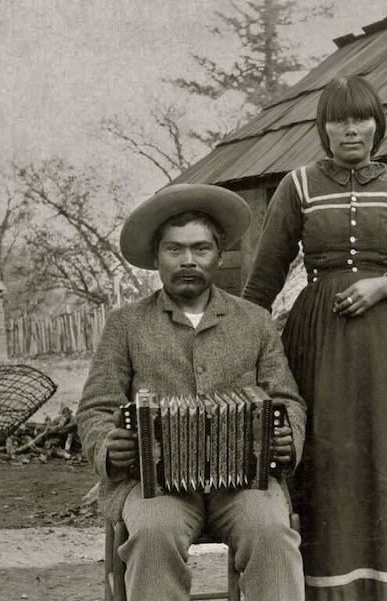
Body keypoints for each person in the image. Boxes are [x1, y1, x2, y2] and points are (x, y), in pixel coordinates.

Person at [242, 76, 387, 600]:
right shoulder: (298, 186)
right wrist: (235, 346)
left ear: (377, 125)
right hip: (319, 349)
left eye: (361, 119)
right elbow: (263, 279)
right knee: (332, 459)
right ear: (323, 128)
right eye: (338, 119)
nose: (350, 130)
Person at [76, 183, 307, 601]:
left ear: (219, 255)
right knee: (153, 534)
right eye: (174, 249)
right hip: (153, 485)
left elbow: (287, 398)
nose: (188, 261)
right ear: (156, 258)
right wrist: (109, 447)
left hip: (244, 483)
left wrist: (287, 433)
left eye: (201, 249)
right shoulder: (126, 324)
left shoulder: (254, 321)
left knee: (273, 532)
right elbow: (95, 407)